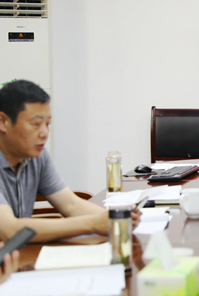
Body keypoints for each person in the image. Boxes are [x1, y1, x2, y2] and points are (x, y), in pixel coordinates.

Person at [0, 80, 139, 243]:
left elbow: (71, 205)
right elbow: (9, 230)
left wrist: (118, 217)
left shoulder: (38, 156)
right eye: (36, 124)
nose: (44, 133)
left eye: (47, 124)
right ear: (3, 122)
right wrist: (93, 224)